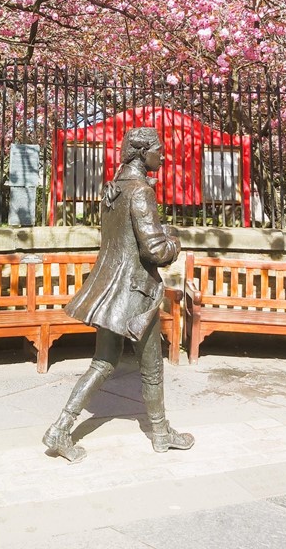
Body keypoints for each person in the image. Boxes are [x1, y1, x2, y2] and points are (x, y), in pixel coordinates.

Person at [43, 126, 194, 463]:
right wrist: (175, 239)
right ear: (142, 153)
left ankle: (60, 427)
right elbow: (154, 251)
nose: (164, 156)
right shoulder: (140, 192)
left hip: (109, 290)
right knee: (152, 367)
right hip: (136, 293)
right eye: (159, 149)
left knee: (102, 363)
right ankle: (160, 432)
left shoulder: (113, 188)